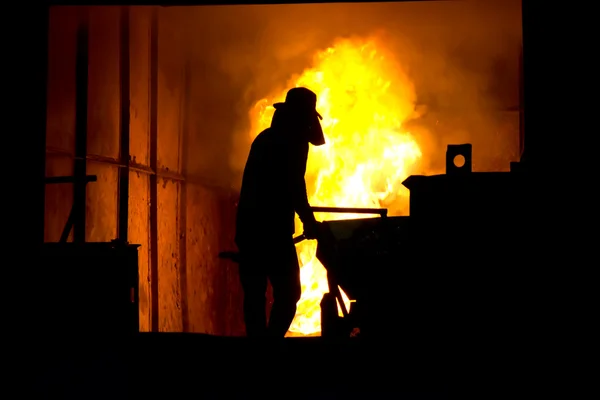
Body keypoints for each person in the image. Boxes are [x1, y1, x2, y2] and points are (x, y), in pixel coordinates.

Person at [235, 87, 325, 338]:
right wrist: (309, 222)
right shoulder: (290, 142)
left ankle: (259, 346)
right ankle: (269, 345)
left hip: (250, 228)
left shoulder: (267, 138)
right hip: (272, 231)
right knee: (288, 293)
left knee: (255, 292)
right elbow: (295, 185)